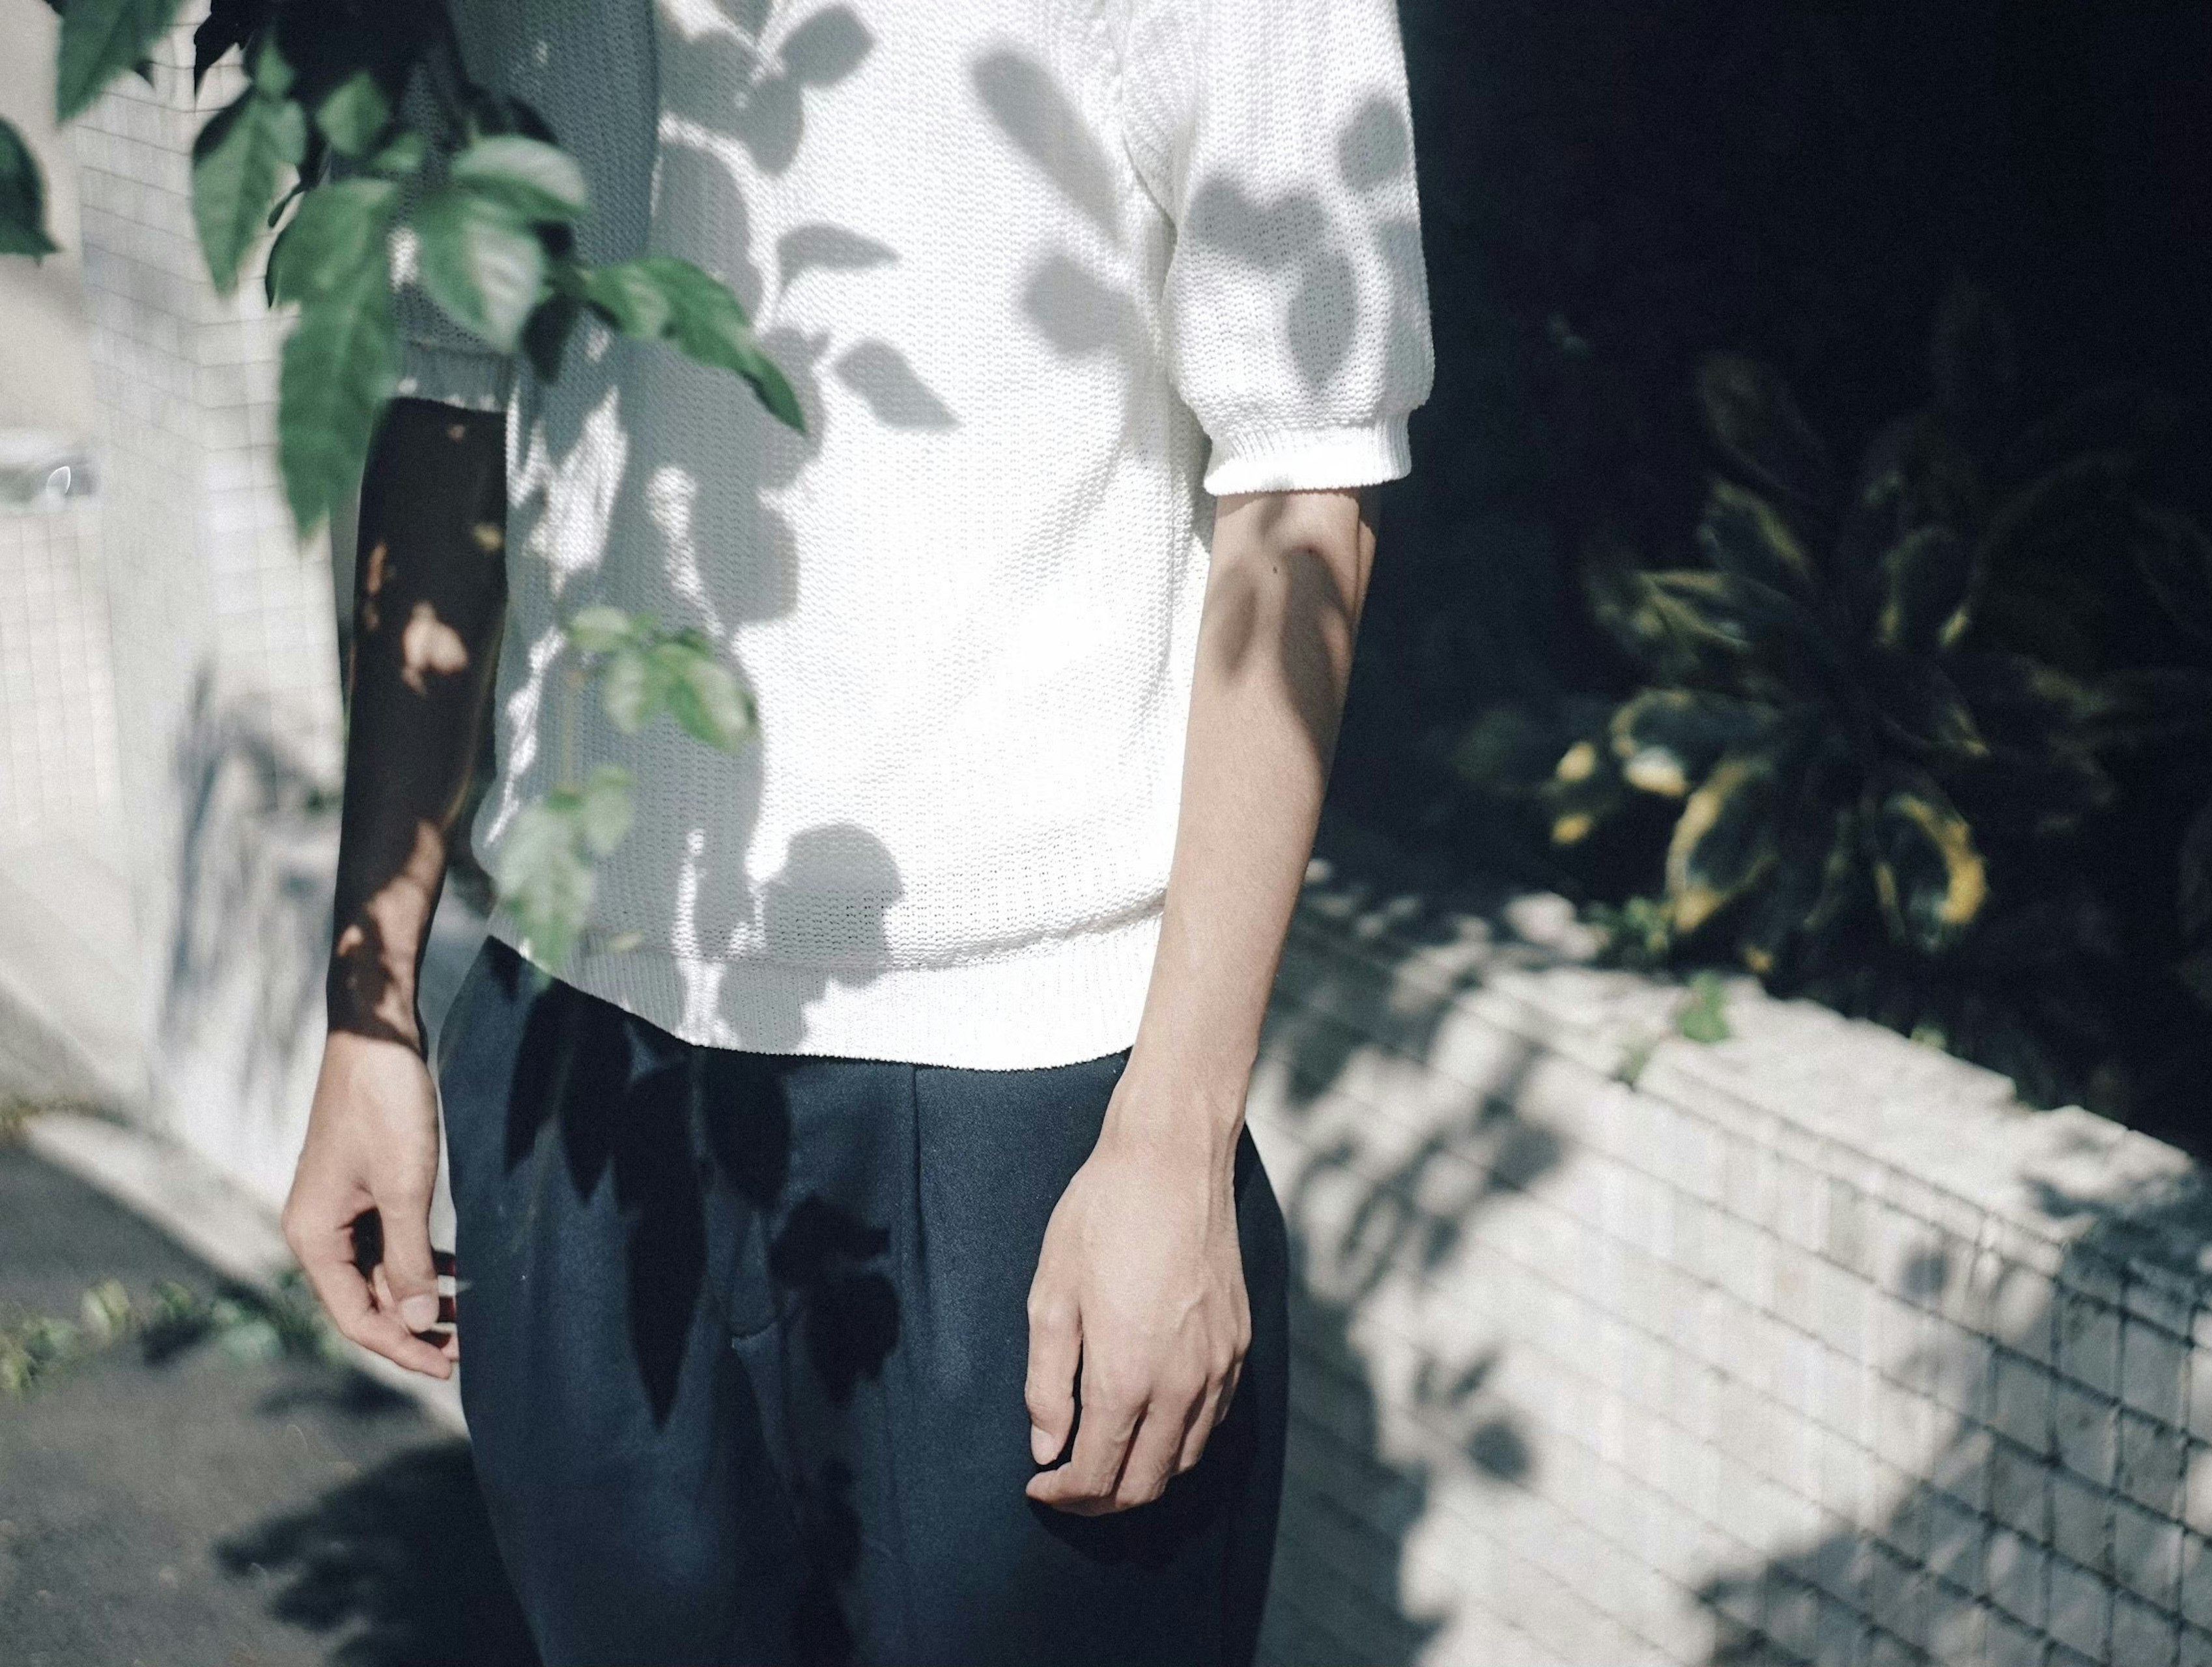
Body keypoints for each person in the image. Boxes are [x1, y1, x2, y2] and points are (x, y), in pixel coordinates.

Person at [279, 1, 1433, 1664]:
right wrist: (369, 993)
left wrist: (1174, 1134)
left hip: (1023, 1094)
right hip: (570, 1048)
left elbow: (1303, 469)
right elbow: (453, 395)